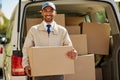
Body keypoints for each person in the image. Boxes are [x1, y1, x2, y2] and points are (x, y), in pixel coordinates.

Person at [22, 1, 77, 80]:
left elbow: (69, 48)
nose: (48, 13)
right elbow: (26, 48)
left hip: (58, 72)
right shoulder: (33, 30)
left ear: (55, 13)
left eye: (51, 11)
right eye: (45, 11)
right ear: (42, 13)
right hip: (39, 72)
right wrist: (26, 65)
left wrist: (74, 53)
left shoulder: (62, 30)